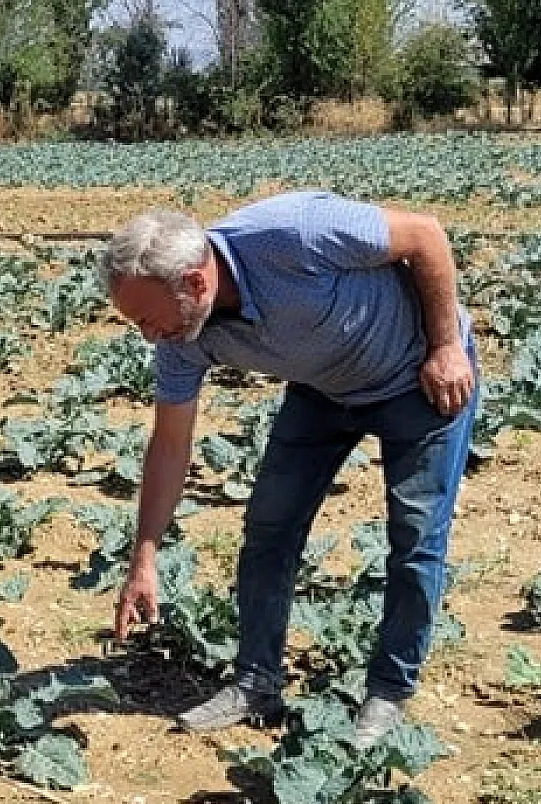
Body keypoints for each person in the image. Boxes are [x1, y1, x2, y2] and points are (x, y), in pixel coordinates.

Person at [102, 192, 479, 749]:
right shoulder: (182, 337)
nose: (146, 335)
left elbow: (425, 233)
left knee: (415, 536)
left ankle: (388, 691)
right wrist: (145, 556)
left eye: (148, 319)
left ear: (197, 284)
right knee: (269, 528)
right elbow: (171, 444)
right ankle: (256, 682)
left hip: (417, 378)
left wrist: (446, 347)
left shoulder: (293, 234)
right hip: (324, 388)